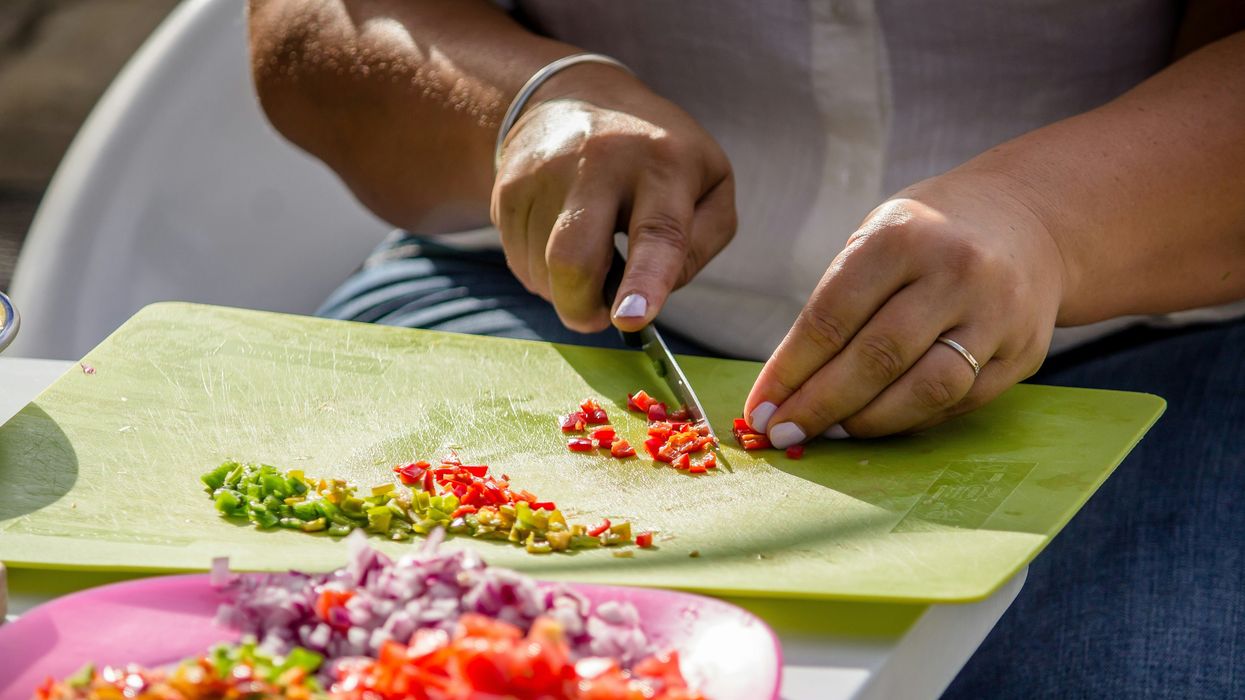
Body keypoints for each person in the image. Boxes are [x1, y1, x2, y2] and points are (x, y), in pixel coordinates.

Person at [247, 1, 1245, 695]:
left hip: (1146, 342)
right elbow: (309, 25)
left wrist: (1056, 222)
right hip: (549, 310)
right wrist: (526, 100)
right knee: (351, 640)